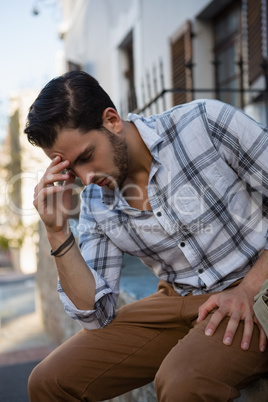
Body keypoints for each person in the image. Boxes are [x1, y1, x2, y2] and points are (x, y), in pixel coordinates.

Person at [24, 70, 268, 402]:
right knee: (48, 381)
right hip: (179, 301)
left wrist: (248, 288)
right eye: (70, 169)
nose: (85, 177)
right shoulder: (97, 202)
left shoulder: (205, 123)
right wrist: (57, 232)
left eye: (85, 157)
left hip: (256, 285)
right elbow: (97, 314)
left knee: (182, 382)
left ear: (111, 120)